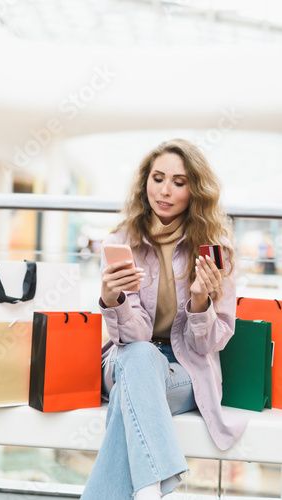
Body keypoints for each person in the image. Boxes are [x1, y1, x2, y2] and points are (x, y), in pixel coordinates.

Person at [81, 138, 248, 500]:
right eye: (158, 178)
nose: (165, 191)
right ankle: (150, 492)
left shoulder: (217, 248)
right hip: (126, 359)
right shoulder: (124, 241)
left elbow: (209, 344)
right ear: (145, 182)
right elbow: (135, 337)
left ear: (195, 189)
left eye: (179, 181)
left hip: (184, 371)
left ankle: (147, 490)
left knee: (132, 396)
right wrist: (114, 299)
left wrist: (202, 301)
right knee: (140, 357)